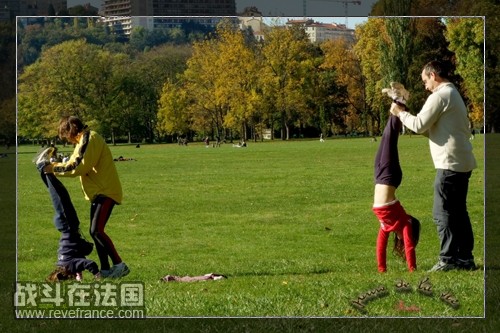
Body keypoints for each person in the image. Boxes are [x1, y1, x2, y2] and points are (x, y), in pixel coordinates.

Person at [390, 60, 477, 271]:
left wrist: (400, 113)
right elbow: (433, 129)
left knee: (442, 212)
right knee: (458, 212)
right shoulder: (452, 93)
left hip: (449, 163)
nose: (425, 85)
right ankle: (464, 258)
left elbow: (419, 125)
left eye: (425, 80)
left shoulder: (439, 95)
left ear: (433, 75)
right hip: (462, 161)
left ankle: (447, 259)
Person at [43, 116, 130, 278]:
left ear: (70, 130)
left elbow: (77, 166)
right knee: (95, 232)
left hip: (106, 190)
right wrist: (59, 163)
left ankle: (120, 265)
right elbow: (75, 160)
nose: (67, 140)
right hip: (99, 191)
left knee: (96, 231)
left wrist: (53, 168)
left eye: (65, 135)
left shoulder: (89, 138)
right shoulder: (83, 140)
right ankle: (105, 270)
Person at [373, 82, 420, 273]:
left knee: (386, 137)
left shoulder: (387, 226)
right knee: (390, 138)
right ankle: (400, 100)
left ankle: (398, 99)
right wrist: (412, 269)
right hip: (389, 177)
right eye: (405, 237)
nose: (402, 239)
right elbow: (409, 247)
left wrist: (381, 269)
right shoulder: (405, 223)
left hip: (380, 177)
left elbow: (380, 246)